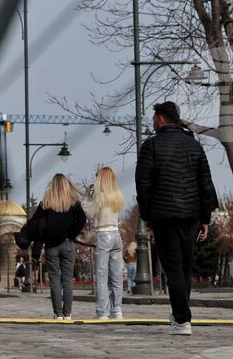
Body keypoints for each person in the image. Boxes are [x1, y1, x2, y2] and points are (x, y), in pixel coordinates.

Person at [136, 101, 218, 335]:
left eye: (154, 118)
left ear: (161, 118)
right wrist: (205, 218)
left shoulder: (151, 146)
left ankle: (182, 320)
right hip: (190, 216)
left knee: (172, 269)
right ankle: (180, 315)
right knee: (184, 268)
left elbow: (143, 184)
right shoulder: (194, 146)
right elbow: (206, 185)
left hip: (164, 216)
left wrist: (147, 215)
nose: (152, 122)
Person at [17, 174, 87, 319]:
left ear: (52, 185)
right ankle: (67, 314)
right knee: (67, 280)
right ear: (67, 185)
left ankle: (58, 314)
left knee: (54, 280)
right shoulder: (73, 202)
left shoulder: (46, 203)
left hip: (51, 246)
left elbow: (34, 222)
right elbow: (82, 219)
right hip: (68, 244)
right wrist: (71, 234)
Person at [86, 167, 125, 319]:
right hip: (116, 235)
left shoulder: (99, 196)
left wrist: (87, 197)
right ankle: (117, 308)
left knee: (101, 275)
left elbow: (89, 213)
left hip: (103, 235)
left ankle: (103, 311)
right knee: (116, 275)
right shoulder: (117, 195)